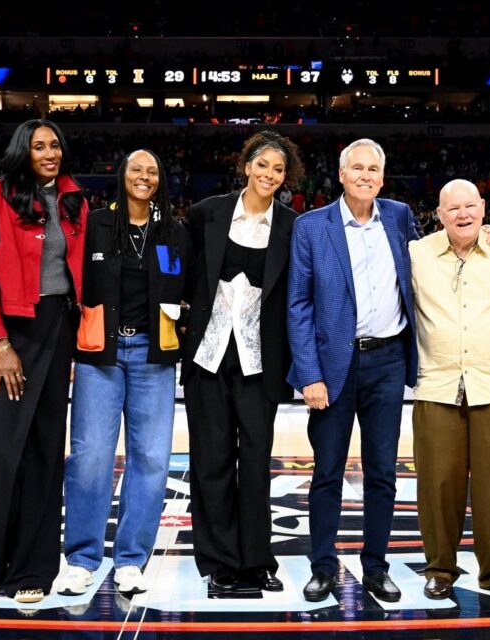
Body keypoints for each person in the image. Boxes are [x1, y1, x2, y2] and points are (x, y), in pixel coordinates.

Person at [287, 138, 418, 604]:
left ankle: (376, 567)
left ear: (382, 177)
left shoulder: (401, 217)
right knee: (327, 472)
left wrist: (488, 235)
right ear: (341, 175)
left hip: (387, 361)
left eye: (373, 169)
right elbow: (298, 306)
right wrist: (309, 374)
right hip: (332, 366)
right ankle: (322, 566)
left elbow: (429, 265)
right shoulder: (311, 226)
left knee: (383, 473)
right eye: (356, 168)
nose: (365, 175)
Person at [0, 119, 87, 603]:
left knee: (43, 452)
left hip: (57, 331)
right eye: (39, 146)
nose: (50, 153)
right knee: (1, 454)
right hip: (9, 334)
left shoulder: (75, 198)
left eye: (55, 144)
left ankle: (36, 568)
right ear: (23, 151)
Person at [58, 148, 187, 596]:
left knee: (150, 459)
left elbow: (189, 289)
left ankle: (131, 558)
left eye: (153, 171)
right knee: (90, 456)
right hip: (100, 357)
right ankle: (82, 558)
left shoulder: (174, 231)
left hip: (155, 357)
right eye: (137, 169)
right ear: (122, 175)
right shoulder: (93, 224)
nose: (144, 177)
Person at [180, 132, 301, 594]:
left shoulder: (293, 225)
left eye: (278, 169)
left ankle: (256, 560)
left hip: (261, 363)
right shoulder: (205, 213)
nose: (270, 174)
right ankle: (218, 562)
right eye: (263, 165)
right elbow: (184, 276)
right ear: (246, 166)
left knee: (254, 463)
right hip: (208, 359)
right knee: (210, 462)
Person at [409, 179, 490, 601]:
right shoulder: (417, 254)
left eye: (469, 206)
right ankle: (440, 568)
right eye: (452, 208)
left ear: (483, 209)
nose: (462, 214)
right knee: (438, 484)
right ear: (439, 215)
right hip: (437, 386)